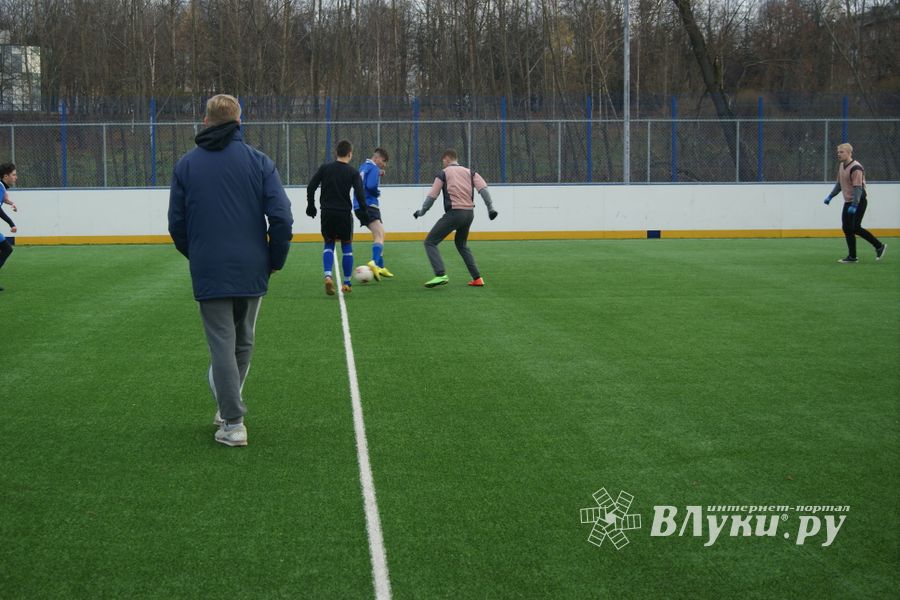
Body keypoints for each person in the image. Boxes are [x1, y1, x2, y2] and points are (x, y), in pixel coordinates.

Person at [168, 94, 293, 447]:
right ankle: (229, 412)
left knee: (223, 344)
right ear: (239, 122)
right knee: (243, 341)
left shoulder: (186, 165)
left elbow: (176, 224)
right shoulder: (259, 161)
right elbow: (281, 218)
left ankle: (232, 421)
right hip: (253, 265)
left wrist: (199, 255)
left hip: (210, 266)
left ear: (205, 121)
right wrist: (274, 259)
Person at [413, 149, 498, 287]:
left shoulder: (443, 173)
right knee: (461, 244)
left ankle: (440, 274)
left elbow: (432, 196)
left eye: (443, 161)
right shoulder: (470, 172)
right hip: (469, 214)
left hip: (455, 213)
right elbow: (484, 190)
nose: (443, 163)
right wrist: (490, 209)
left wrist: (422, 211)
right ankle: (477, 278)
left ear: (447, 159)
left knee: (430, 242)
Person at [306, 139, 368, 295]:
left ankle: (328, 276)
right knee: (346, 246)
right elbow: (360, 194)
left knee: (329, 243)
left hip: (327, 212)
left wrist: (311, 206)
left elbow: (311, 187)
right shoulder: (353, 172)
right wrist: (364, 214)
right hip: (344, 214)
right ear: (350, 154)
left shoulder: (325, 168)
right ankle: (347, 283)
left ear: (336, 153)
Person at [823, 143, 886, 263]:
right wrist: (830, 196)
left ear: (849, 153)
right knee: (847, 228)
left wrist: (855, 205)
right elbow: (840, 184)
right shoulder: (841, 166)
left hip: (858, 201)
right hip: (849, 201)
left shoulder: (856, 168)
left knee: (855, 227)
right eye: (838, 152)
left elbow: (858, 188)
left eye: (841, 152)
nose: (838, 154)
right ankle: (854, 256)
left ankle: (878, 246)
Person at [357, 148, 393, 280]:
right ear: (377, 158)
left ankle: (381, 267)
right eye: (383, 161)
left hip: (359, 206)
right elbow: (371, 186)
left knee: (380, 233)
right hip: (369, 205)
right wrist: (376, 193)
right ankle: (374, 262)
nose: (384, 164)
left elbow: (362, 182)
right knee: (379, 234)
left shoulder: (363, 167)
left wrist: (378, 173)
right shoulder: (373, 167)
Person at [0, 163, 19, 292]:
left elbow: (3, 199)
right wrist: (11, 223)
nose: (15, 177)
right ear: (5, 176)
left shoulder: (2, 187)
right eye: (13, 174)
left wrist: (11, 202)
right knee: (6, 249)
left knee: (6, 249)